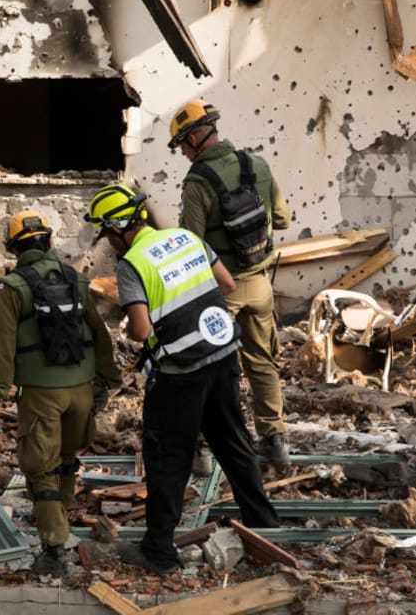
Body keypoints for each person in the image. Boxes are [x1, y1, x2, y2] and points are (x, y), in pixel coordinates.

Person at [85, 184, 279, 573]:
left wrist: (132, 330)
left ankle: (159, 550)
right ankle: (266, 528)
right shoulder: (186, 237)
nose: (108, 240)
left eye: (107, 231)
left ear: (119, 226)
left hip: (180, 375)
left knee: (168, 459)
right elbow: (226, 284)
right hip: (222, 356)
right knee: (234, 444)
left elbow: (140, 331)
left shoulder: (132, 265)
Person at [0, 210, 122, 576]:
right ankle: (60, 512)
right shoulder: (75, 279)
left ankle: (54, 549)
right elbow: (98, 331)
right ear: (48, 242)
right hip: (80, 390)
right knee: (65, 457)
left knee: (40, 468)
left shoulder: (12, 287)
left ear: (14, 248)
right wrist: (108, 378)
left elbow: (3, 345)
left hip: (41, 394)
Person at [167, 99, 293, 474]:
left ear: (194, 137)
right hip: (260, 286)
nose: (184, 154)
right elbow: (283, 219)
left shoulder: (197, 182)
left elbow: (191, 244)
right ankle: (276, 441)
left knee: (207, 368)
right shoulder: (258, 165)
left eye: (183, 146)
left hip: (220, 292)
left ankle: (204, 451)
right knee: (263, 364)